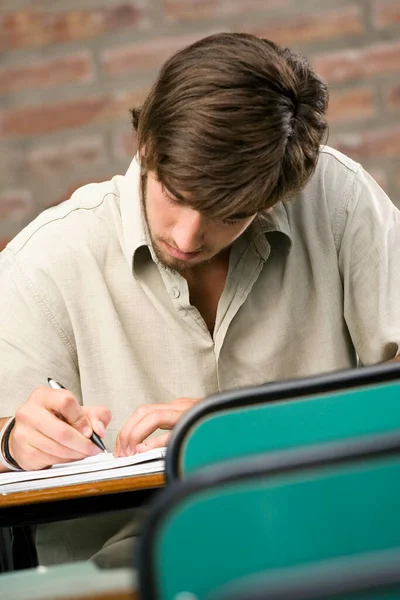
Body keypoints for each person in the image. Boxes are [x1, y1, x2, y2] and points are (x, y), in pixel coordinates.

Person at [0, 32, 399, 567]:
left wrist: (244, 429)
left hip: (330, 553)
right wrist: (12, 444)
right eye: (175, 195)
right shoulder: (43, 263)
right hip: (134, 575)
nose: (187, 238)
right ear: (146, 144)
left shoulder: (339, 201)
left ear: (279, 195)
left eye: (229, 214)